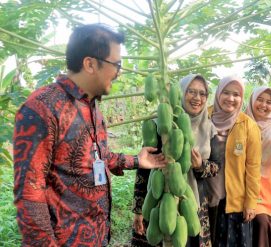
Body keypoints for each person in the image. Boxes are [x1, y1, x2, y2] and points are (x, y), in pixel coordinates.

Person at [13, 24, 166, 247]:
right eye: (116, 64)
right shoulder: (42, 109)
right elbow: (29, 194)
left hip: (98, 236)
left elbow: (98, 158)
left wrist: (137, 160)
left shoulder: (92, 108)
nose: (118, 72)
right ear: (90, 64)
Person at [131, 74, 221, 247]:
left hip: (192, 201)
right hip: (159, 200)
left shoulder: (209, 128)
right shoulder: (160, 124)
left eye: (202, 94)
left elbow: (217, 166)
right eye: (191, 91)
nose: (197, 98)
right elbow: (143, 170)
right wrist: (138, 209)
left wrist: (201, 166)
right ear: (180, 93)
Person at [207, 76, 262, 246]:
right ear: (218, 94)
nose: (231, 99)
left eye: (236, 95)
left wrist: (251, 202)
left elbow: (253, 168)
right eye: (226, 93)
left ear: (241, 98)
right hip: (205, 197)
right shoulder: (204, 117)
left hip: (234, 202)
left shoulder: (248, 126)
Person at [245, 87, 271, 247]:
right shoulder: (240, 124)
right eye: (259, 100)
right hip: (248, 189)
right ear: (252, 101)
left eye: (269, 102)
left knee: (270, 238)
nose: (263, 105)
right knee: (260, 226)